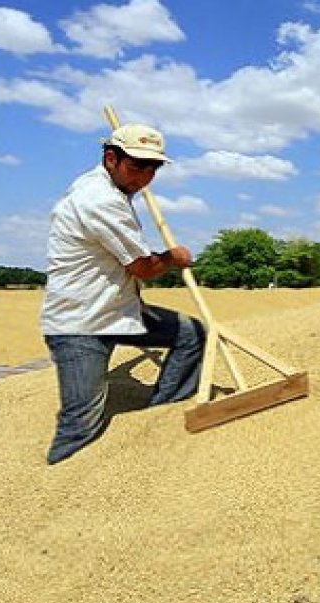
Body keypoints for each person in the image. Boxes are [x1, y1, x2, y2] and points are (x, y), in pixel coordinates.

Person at [40, 123, 206, 464]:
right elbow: (142, 268)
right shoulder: (99, 200)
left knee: (192, 335)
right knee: (80, 424)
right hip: (81, 322)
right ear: (111, 158)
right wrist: (173, 258)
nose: (144, 176)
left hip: (120, 309)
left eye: (153, 168)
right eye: (137, 166)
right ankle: (59, 480)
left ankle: (161, 421)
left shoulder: (108, 188)